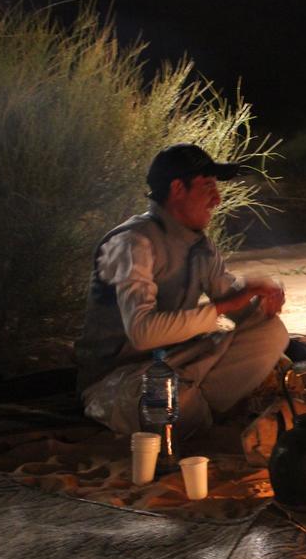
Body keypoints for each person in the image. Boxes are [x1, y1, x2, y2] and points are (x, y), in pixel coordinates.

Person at [74, 143, 290, 436]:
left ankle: (198, 411)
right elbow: (142, 332)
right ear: (177, 188)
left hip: (176, 363)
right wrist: (225, 306)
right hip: (117, 379)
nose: (217, 199)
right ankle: (201, 411)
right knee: (168, 404)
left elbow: (231, 299)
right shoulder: (132, 242)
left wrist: (259, 300)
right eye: (208, 186)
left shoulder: (200, 245)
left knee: (271, 332)